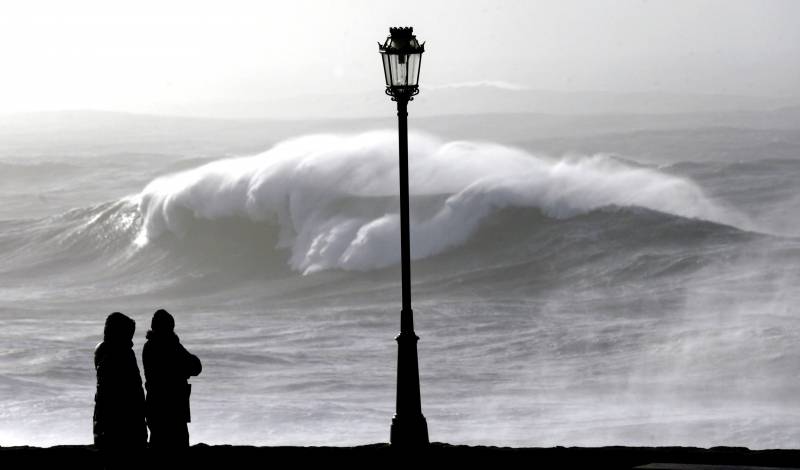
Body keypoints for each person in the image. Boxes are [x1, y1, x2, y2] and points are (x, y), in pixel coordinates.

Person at [143, 309, 202, 450]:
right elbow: (195, 366)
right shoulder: (170, 346)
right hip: (172, 408)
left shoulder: (151, 346)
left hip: (156, 406)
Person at [93, 312, 147, 462]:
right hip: (123, 427)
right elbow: (128, 391)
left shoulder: (103, 350)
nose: (131, 339)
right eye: (129, 334)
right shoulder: (120, 354)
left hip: (107, 425)